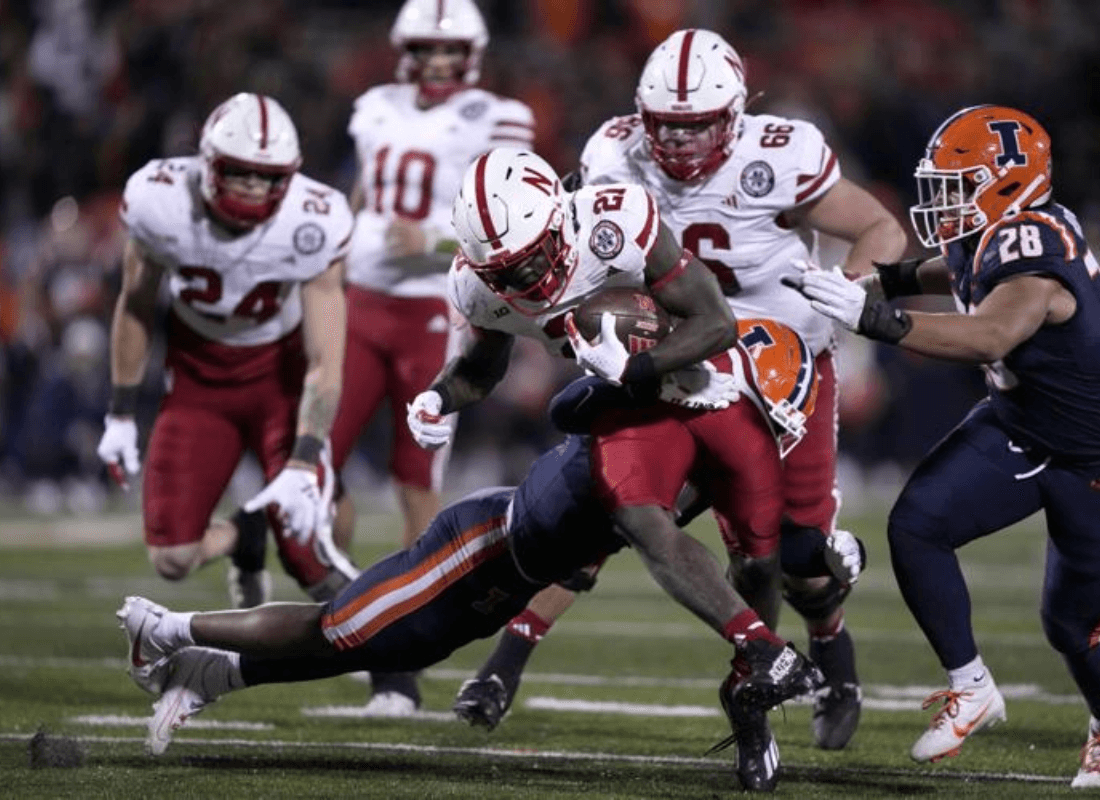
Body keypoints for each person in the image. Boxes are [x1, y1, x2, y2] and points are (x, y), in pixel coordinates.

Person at [455, 27, 908, 751]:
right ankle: (507, 660)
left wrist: (848, 296)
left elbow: (880, 227)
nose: (681, 142)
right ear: (642, 115)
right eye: (667, 125)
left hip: (785, 366)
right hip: (673, 356)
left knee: (797, 559)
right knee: (604, 512)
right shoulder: (611, 153)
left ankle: (834, 652)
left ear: (736, 111)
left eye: (697, 125)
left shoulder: (780, 153)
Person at [407, 145, 823, 791]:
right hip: (633, 405)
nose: (525, 282)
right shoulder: (479, 282)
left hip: (712, 386)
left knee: (759, 563)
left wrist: (637, 366)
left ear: (559, 217)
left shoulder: (617, 220)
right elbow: (480, 369)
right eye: (506, 272)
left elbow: (714, 323)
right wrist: (438, 396)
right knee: (633, 513)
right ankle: (762, 649)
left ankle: (750, 703)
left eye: (533, 258)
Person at [117, 430, 821, 790]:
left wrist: (504, 662)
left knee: (387, 648)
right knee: (345, 625)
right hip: (482, 542)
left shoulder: (694, 473)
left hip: (513, 572)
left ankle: (216, 675)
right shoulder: (643, 441)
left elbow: (588, 564)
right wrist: (753, 634)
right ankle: (166, 625)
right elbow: (653, 540)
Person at [786, 104, 1100, 787]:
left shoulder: (1034, 249)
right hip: (1020, 427)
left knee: (1072, 623)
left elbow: (989, 335)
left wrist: (875, 317)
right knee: (918, 524)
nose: (945, 201)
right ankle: (972, 685)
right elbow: (952, 268)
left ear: (1008, 183)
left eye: (959, 186)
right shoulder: (990, 233)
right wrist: (876, 282)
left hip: (1088, 457)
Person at [331, 0, 535, 716]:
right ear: (404, 49)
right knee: (317, 465)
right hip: (360, 299)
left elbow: (519, 220)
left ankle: (400, 652)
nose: (439, 62)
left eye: (451, 51)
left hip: (436, 306)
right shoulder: (374, 107)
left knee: (415, 473)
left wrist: (438, 246)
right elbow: (365, 192)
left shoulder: (499, 116)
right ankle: (345, 600)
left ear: (472, 54)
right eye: (427, 49)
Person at [95, 92, 358, 611]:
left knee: (311, 564)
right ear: (209, 163)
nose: (256, 188)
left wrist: (306, 459)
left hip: (280, 380)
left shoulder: (314, 218)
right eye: (241, 173)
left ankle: (386, 659)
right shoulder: (160, 200)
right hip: (197, 381)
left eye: (270, 177)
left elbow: (326, 358)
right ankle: (247, 534)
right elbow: (135, 305)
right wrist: (121, 412)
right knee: (172, 559)